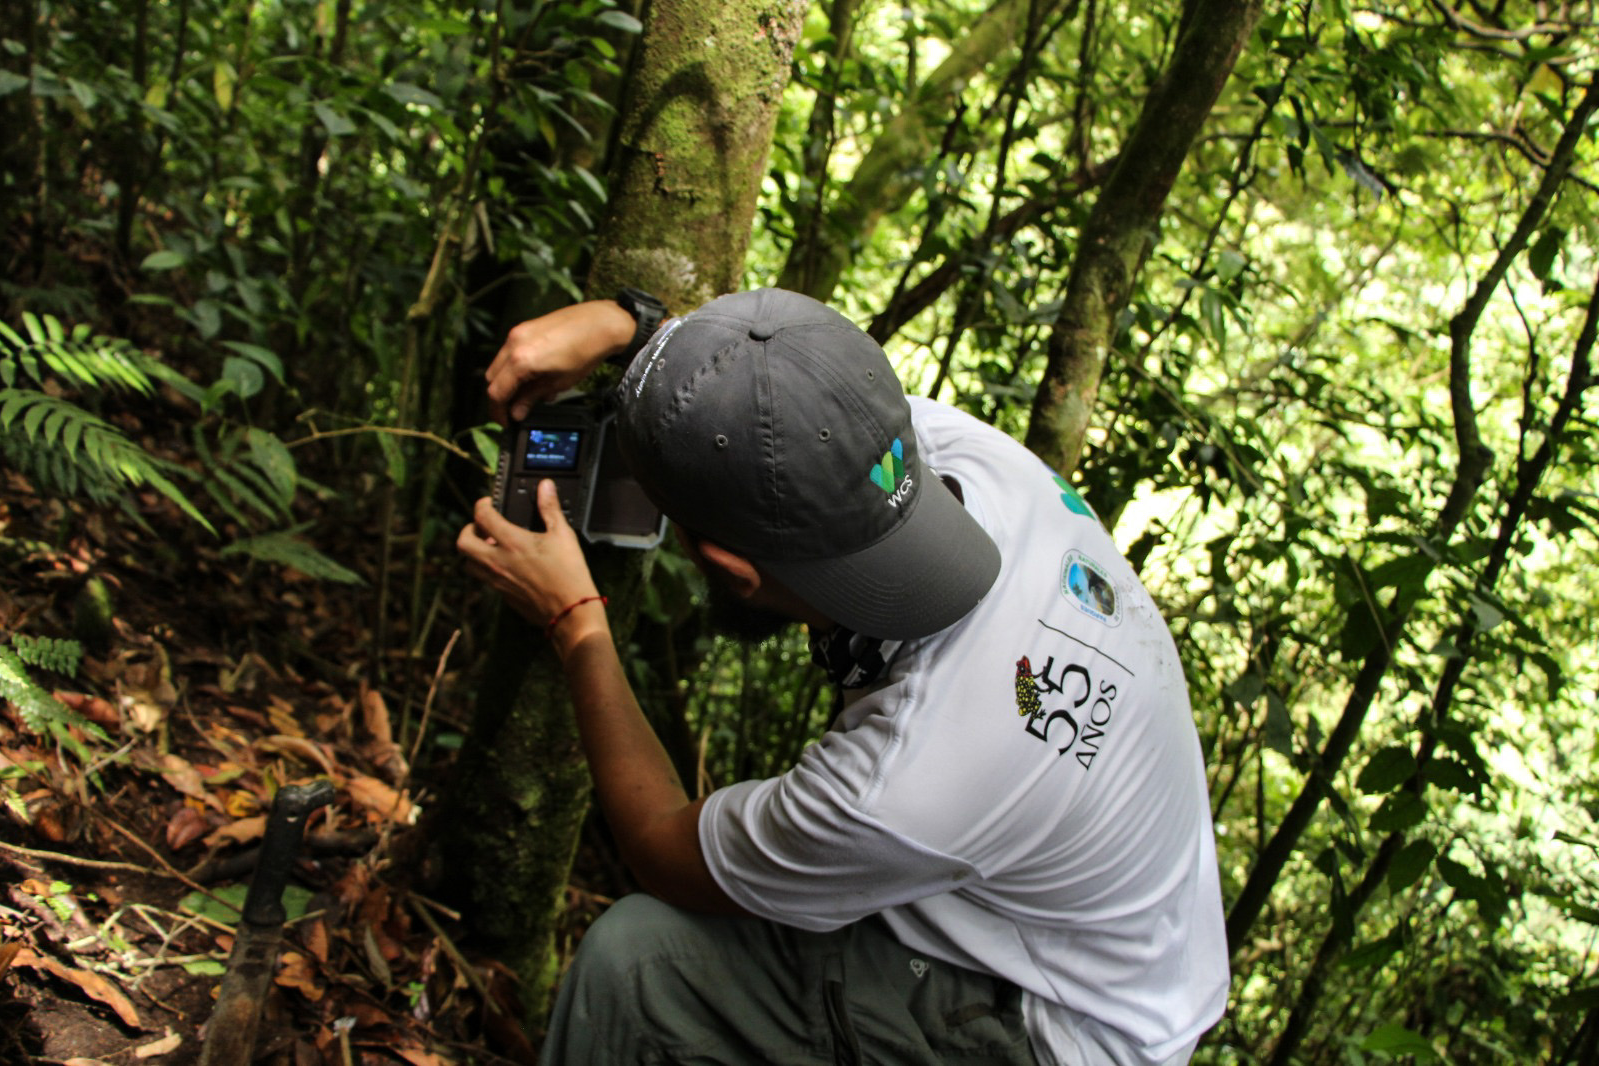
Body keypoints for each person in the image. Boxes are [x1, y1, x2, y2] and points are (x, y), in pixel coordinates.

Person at [456, 288, 1229, 1066]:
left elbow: (661, 850)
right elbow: (779, 395)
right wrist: (632, 327)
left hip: (1063, 1031)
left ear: (725, 567)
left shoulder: (901, 780)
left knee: (638, 968)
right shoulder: (976, 460)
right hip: (1137, 958)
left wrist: (576, 620)